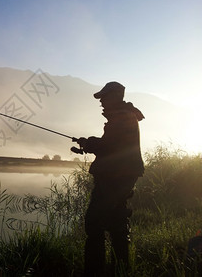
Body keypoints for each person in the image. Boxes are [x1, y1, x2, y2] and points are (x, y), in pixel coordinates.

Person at [73, 81, 145, 276]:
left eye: (104, 97)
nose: (101, 102)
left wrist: (89, 143)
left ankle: (94, 272)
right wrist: (89, 143)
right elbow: (112, 145)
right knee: (117, 222)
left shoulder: (121, 118)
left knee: (94, 223)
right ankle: (121, 269)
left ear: (115, 96)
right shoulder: (124, 116)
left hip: (115, 178)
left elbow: (109, 147)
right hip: (122, 176)